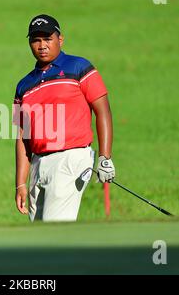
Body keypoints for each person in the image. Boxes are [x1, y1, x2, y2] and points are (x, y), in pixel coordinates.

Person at [13, 14, 115, 222]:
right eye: (36, 40)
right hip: (37, 165)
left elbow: (102, 110)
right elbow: (23, 136)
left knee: (54, 231)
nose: (42, 45)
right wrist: (20, 183)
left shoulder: (79, 67)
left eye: (48, 39)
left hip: (70, 159)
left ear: (60, 40)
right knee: (39, 237)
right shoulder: (23, 85)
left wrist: (105, 157)